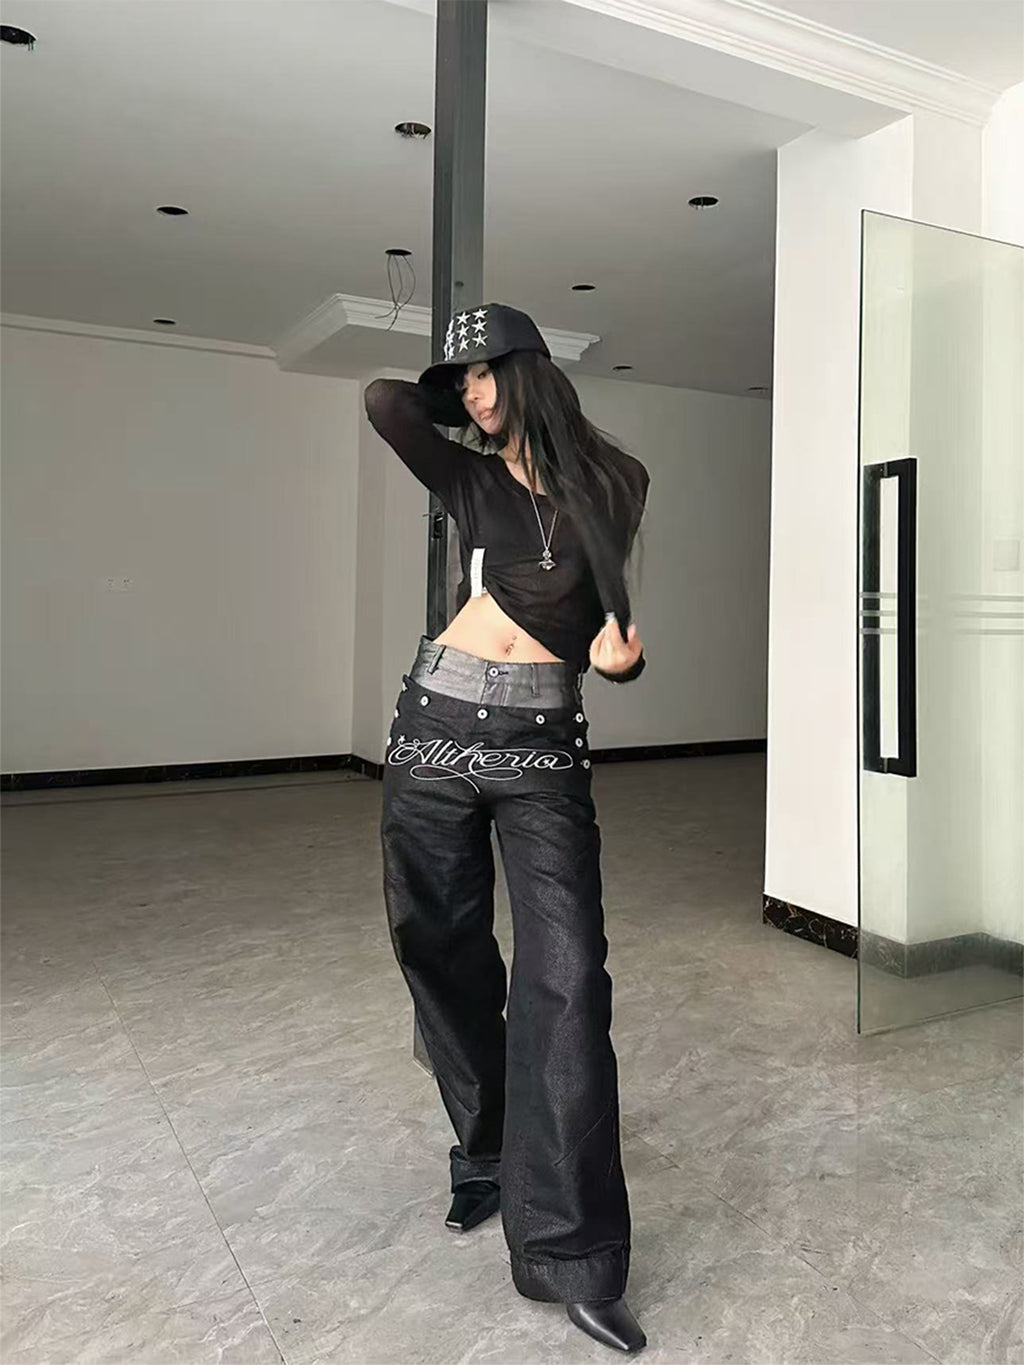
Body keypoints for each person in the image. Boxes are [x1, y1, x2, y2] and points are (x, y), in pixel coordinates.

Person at [364, 303, 650, 1355]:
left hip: (539, 746)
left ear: (530, 369)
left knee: (566, 981)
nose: (475, 393)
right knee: (438, 951)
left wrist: (620, 660)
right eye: (464, 381)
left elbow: (603, 610)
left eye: (488, 372)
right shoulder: (468, 478)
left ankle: (576, 1254)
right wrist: (453, 392)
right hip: (433, 728)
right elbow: (384, 401)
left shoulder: (617, 481)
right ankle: (485, 1151)